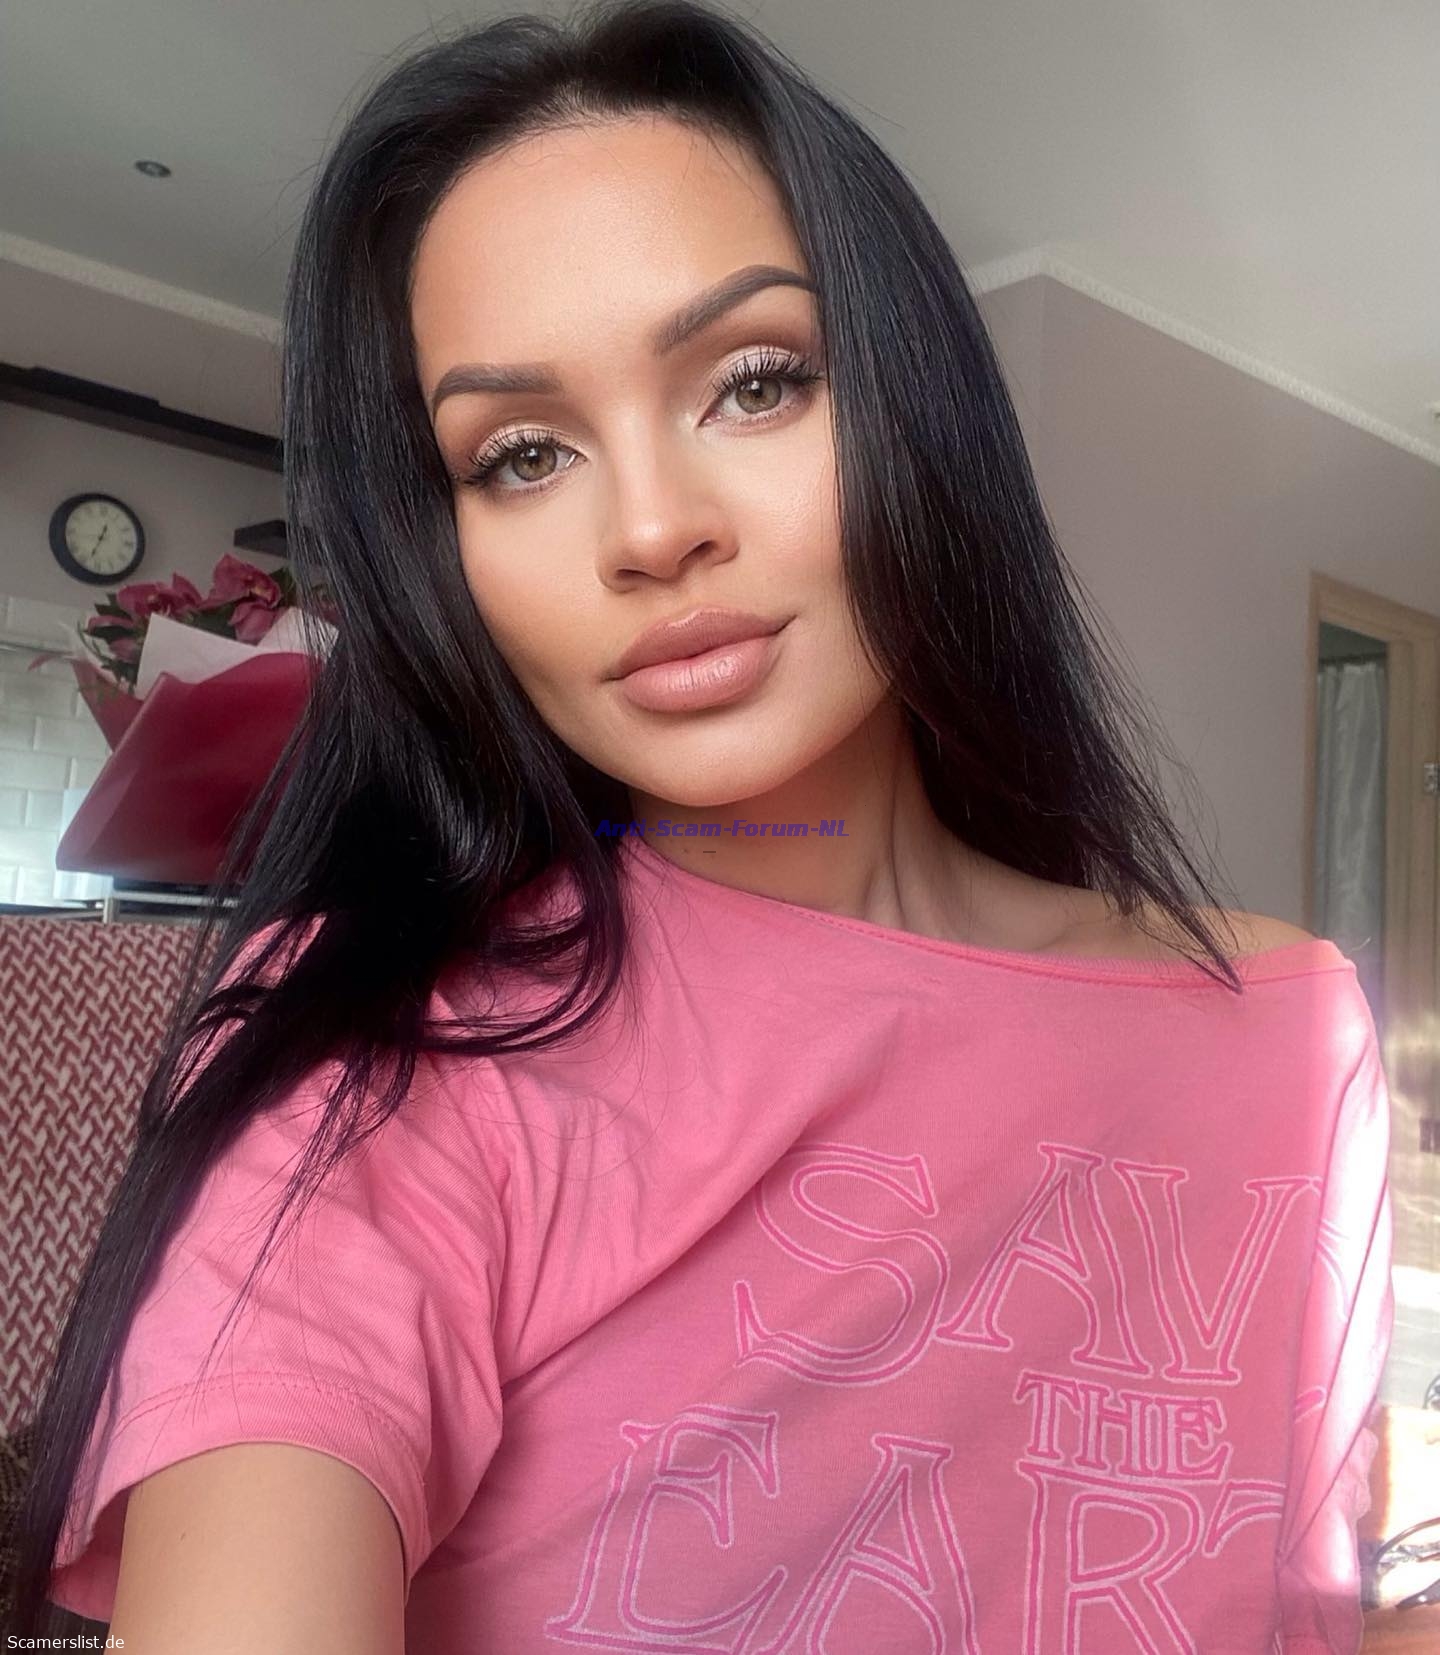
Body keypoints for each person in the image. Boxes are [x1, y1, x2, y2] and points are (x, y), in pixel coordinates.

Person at [8, 1, 1394, 1648]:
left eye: (754, 382)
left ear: (919, 407)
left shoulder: (1284, 1032)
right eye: (522, 455)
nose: (653, 530)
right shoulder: (390, 1039)